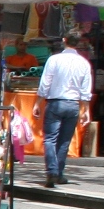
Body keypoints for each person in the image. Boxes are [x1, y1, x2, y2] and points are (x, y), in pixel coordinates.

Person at [35, 34, 93, 186]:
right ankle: (58, 173)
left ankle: (52, 171)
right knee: (64, 141)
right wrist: (86, 109)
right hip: (73, 104)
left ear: (64, 41)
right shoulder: (84, 63)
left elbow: (45, 82)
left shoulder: (54, 59)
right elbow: (86, 89)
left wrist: (38, 101)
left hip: (55, 102)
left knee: (50, 139)